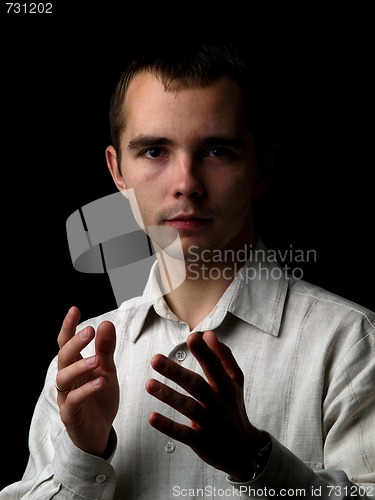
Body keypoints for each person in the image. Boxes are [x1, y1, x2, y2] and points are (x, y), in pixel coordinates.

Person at [1, 40, 374, 499]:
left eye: (217, 151)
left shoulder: (349, 341)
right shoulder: (79, 369)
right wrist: (83, 452)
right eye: (155, 151)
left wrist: (255, 460)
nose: (186, 185)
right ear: (118, 172)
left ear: (264, 169)